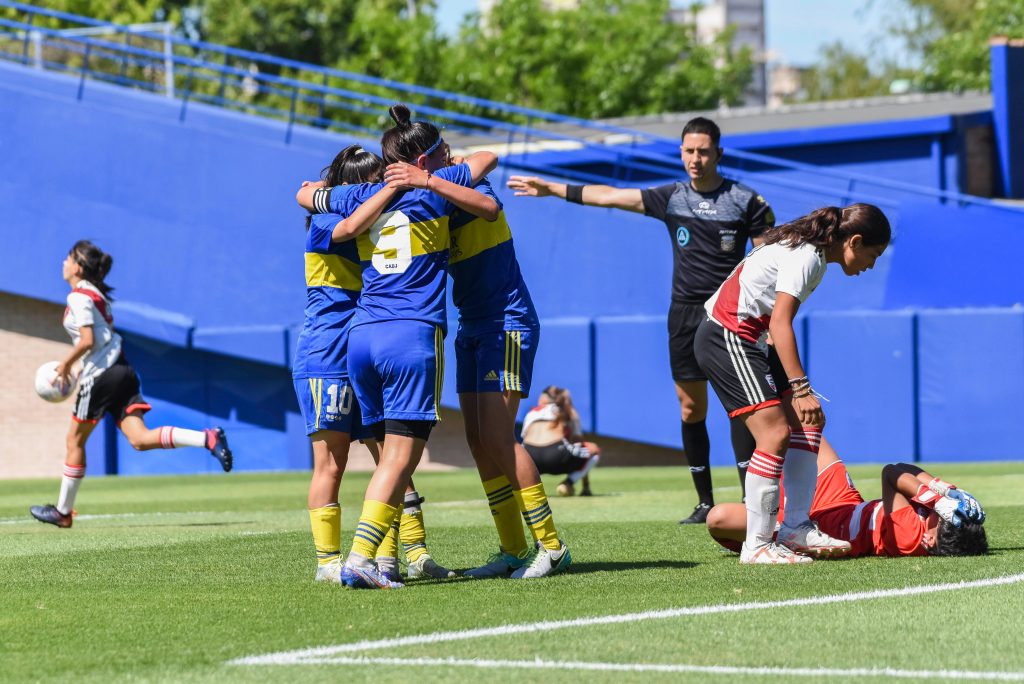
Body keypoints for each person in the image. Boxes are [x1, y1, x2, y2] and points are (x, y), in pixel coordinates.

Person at [507, 117, 774, 525]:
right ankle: (704, 502)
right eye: (689, 151)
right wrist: (553, 189)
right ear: (681, 153)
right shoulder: (672, 197)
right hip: (684, 316)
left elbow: (767, 266)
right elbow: (610, 195)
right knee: (690, 410)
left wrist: (767, 321)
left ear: (718, 153)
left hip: (728, 316)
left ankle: (748, 500)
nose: (696, 159)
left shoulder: (747, 202)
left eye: (704, 151)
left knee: (740, 408)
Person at [301, 104, 499, 589]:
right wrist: (420, 180)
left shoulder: (353, 198)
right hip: (407, 335)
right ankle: (358, 558)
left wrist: (377, 189)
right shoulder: (429, 191)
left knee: (389, 457)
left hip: (361, 337)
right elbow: (488, 170)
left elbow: (308, 196)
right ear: (425, 159)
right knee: (394, 459)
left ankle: (395, 558)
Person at [695, 203, 891, 564]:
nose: (872, 265)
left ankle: (796, 526)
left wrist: (796, 392)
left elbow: (774, 326)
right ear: (855, 241)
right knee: (774, 435)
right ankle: (757, 545)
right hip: (728, 337)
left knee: (809, 421)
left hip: (752, 338)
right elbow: (780, 324)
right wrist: (799, 389)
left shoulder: (812, 253)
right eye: (873, 255)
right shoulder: (808, 257)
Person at [30, 241, 232, 529]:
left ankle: (62, 512)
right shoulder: (97, 294)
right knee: (139, 439)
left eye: (68, 258)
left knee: (74, 441)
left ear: (78, 267)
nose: (63, 262)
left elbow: (88, 340)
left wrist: (65, 365)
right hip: (122, 370)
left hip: (102, 375)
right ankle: (208, 438)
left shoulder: (78, 296)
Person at [445, 169, 572, 579]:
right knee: (477, 438)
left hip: (507, 325)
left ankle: (551, 546)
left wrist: (429, 180)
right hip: (470, 325)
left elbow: (489, 203)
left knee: (499, 436)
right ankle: (514, 548)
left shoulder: (466, 179)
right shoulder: (427, 201)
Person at [706, 435, 988, 558]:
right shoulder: (929, 529)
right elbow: (903, 469)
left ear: (929, 540)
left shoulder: (911, 537)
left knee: (717, 518)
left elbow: (891, 473)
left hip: (824, 529)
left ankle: (769, 525)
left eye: (941, 518)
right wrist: (943, 488)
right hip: (843, 500)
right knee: (804, 425)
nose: (942, 513)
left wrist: (936, 497)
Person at [521, 386, 600, 498]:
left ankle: (519, 487)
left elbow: (524, 438)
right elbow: (579, 443)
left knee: (519, 455)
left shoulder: (532, 412)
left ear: (544, 399)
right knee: (594, 450)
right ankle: (567, 484)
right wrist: (585, 487)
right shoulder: (568, 411)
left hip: (530, 456)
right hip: (556, 455)